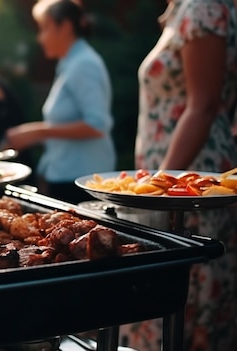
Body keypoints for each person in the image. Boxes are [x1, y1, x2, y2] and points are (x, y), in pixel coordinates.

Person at [121, 0, 237, 350]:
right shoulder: (185, 9)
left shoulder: (204, 6)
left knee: (182, 298)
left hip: (187, 181)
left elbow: (203, 107)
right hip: (173, 174)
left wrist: (158, 185)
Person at [4, 0, 116, 204]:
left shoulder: (84, 64)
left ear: (64, 27)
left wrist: (39, 132)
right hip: (68, 176)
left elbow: (97, 124)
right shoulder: (71, 63)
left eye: (44, 28)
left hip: (82, 181)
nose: (40, 38)